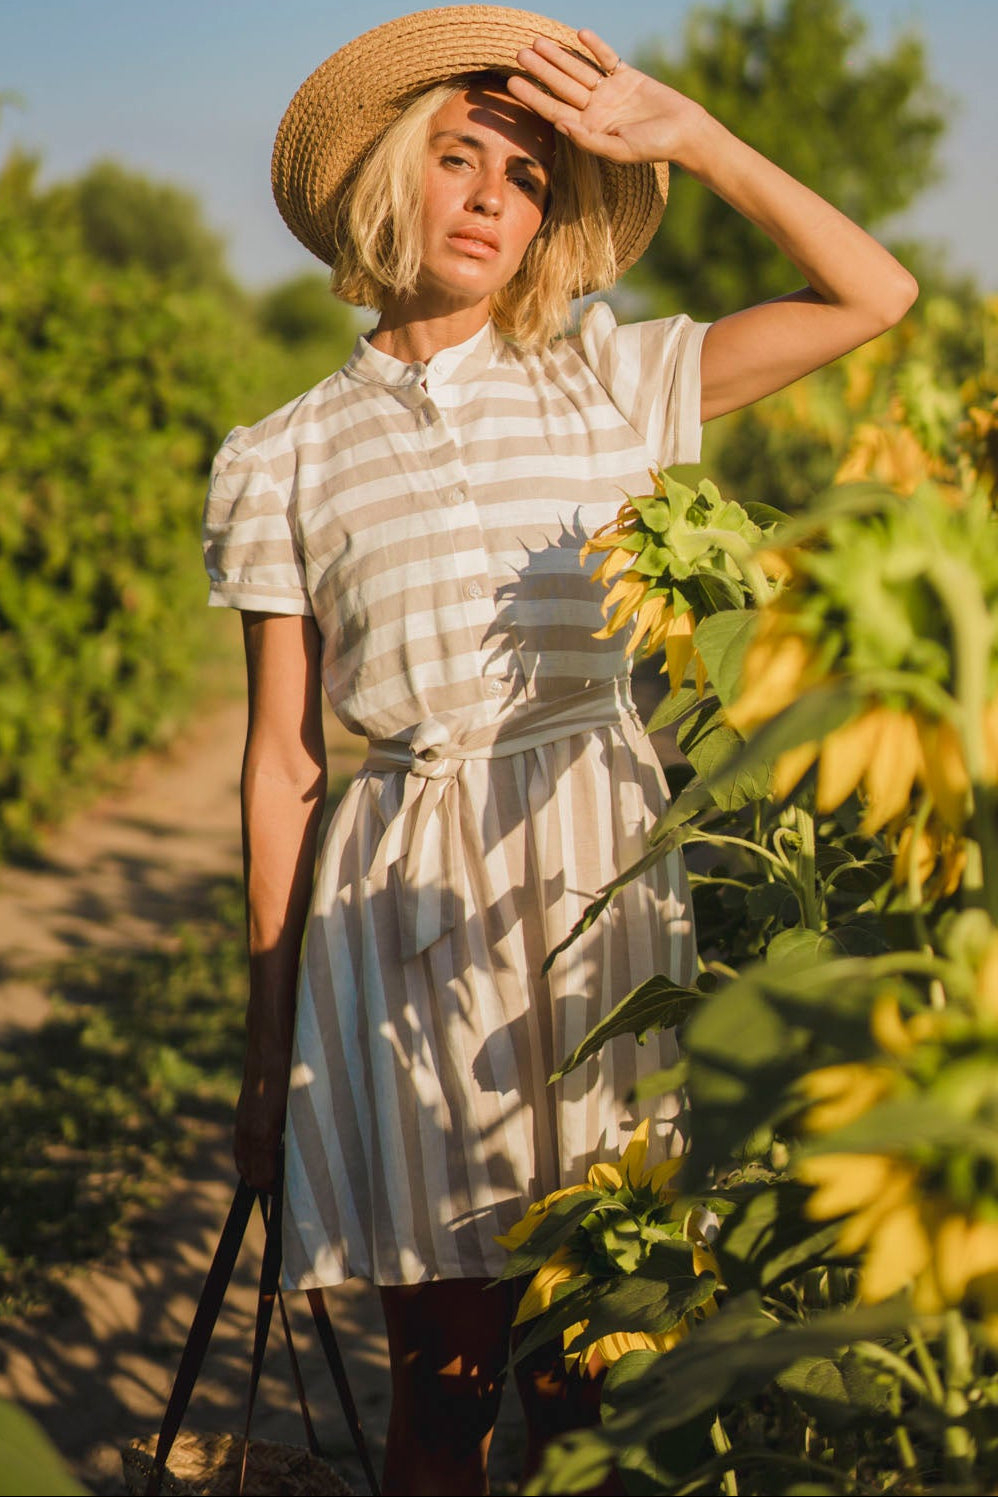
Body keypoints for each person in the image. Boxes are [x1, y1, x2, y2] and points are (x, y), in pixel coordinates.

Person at [202, 8, 916, 1493]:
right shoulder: (283, 450)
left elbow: (873, 291)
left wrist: (695, 140)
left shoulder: (612, 383)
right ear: (384, 183)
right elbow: (283, 766)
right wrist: (267, 1061)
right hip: (397, 907)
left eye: (525, 178)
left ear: (546, 226)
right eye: (456, 158)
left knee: (595, 1359)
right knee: (443, 1387)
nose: (487, 195)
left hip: (594, 875)